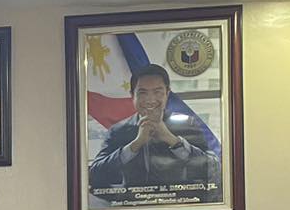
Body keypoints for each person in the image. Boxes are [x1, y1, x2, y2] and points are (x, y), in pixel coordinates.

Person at [89, 62, 219, 199]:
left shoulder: (187, 124)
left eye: (157, 92)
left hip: (177, 206)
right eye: (143, 93)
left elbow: (212, 170)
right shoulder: (119, 130)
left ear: (167, 94)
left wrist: (172, 140)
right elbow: (95, 176)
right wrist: (135, 145)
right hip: (132, 208)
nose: (150, 100)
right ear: (132, 95)